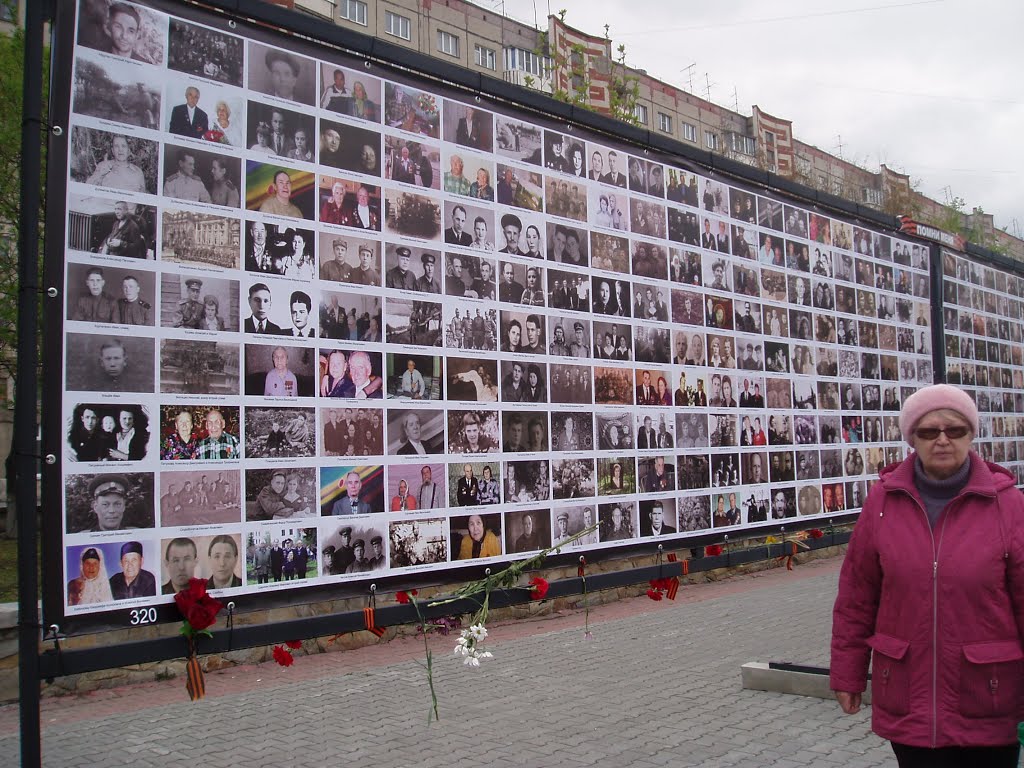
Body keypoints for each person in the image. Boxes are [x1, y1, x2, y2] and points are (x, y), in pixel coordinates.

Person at [831, 384, 1024, 768]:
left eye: (954, 430)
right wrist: (848, 674)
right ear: (911, 439)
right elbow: (857, 596)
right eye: (928, 431)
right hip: (909, 697)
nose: (942, 440)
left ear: (970, 435)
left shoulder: (1008, 504)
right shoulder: (883, 501)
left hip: (989, 697)